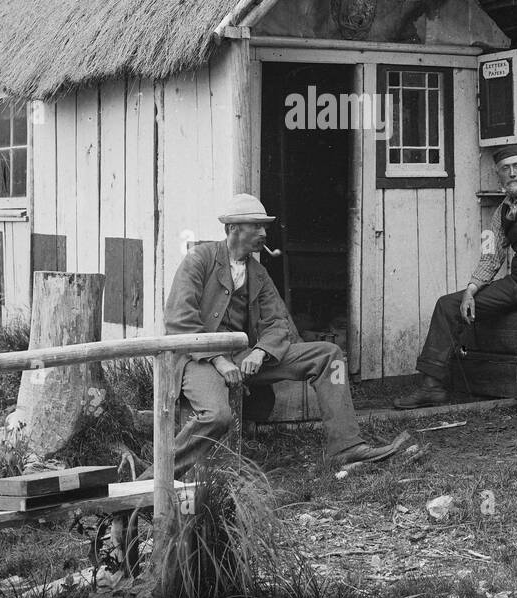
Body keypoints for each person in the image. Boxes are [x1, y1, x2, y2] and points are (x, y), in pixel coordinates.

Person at [164, 193, 405, 478]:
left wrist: (260, 351)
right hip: (199, 359)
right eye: (257, 227)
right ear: (233, 229)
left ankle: (346, 445)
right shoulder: (199, 260)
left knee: (330, 356)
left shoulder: (258, 272)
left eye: (264, 227)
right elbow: (180, 321)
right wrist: (219, 360)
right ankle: (157, 478)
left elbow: (278, 322)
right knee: (217, 416)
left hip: (243, 356)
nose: (264, 233)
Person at [394, 145, 517, 433]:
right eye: (505, 169)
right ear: (499, 177)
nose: (512, 172)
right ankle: (432, 386)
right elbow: (491, 255)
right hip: (516, 283)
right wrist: (471, 289)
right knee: (448, 304)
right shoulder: (500, 212)